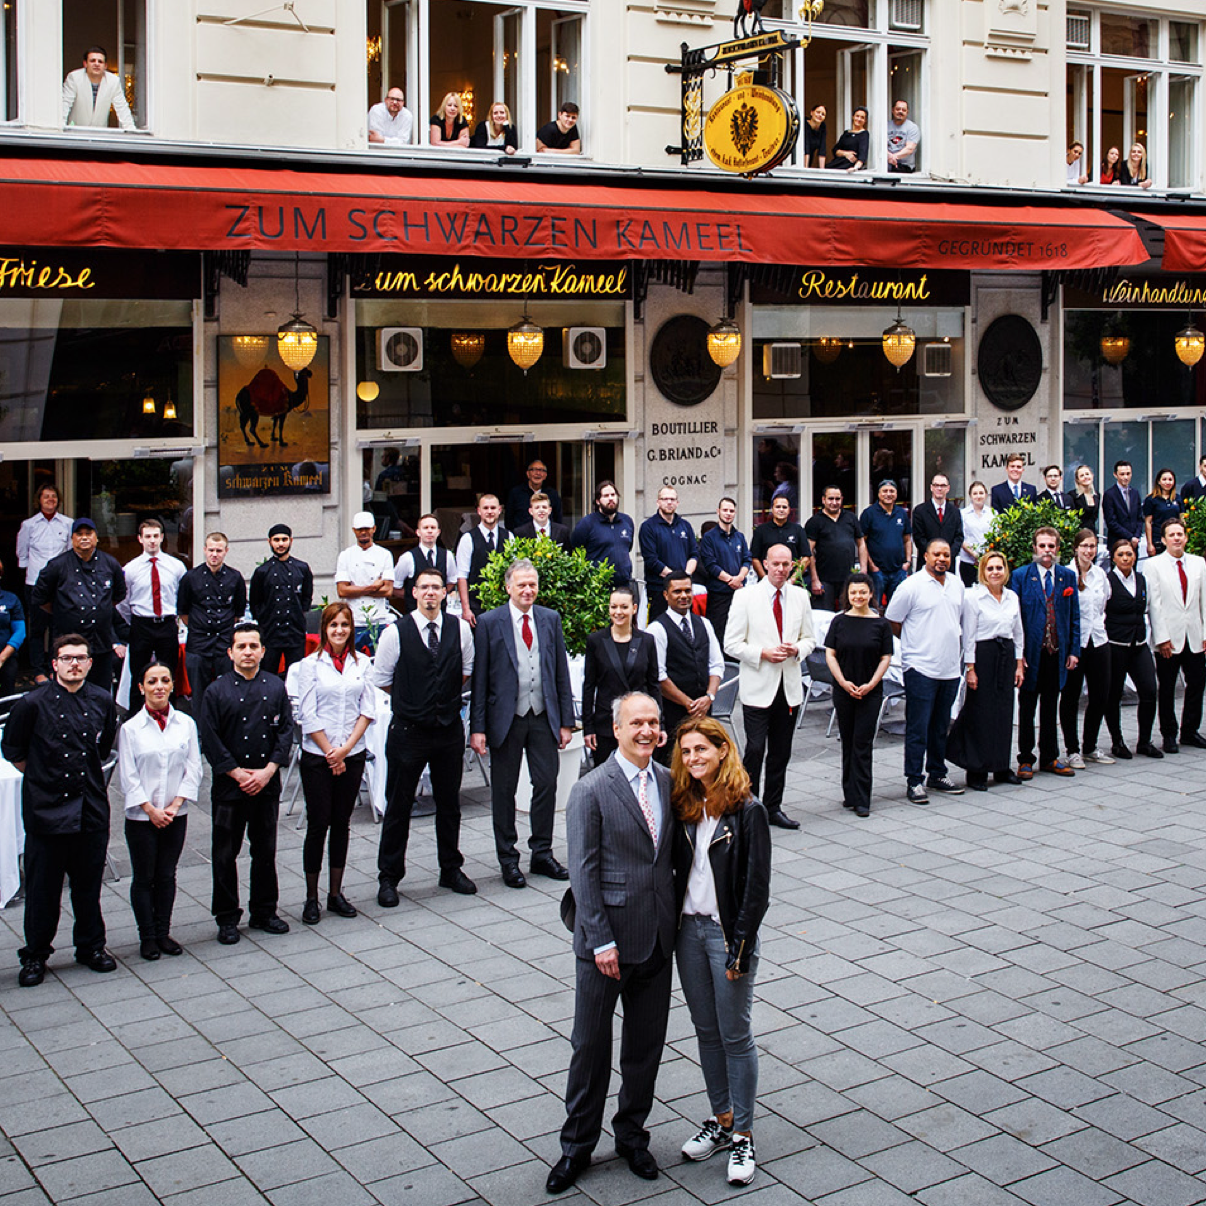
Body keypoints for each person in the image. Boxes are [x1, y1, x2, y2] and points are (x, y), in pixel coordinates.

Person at [672, 716, 771, 1185]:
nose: (694, 759)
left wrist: (741, 950)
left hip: (725, 934)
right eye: (687, 752)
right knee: (706, 1032)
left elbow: (756, 890)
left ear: (723, 750)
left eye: (702, 750)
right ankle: (722, 1118)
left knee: (735, 1035)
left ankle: (744, 1135)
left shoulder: (747, 810)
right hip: (687, 933)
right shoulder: (685, 803)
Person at [2, 635, 119, 986]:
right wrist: (42, 775)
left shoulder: (102, 701)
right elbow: (13, 751)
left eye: (81, 658)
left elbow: (102, 750)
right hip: (46, 809)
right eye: (67, 658)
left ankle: (91, 947)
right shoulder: (31, 704)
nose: (74, 664)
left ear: (89, 663)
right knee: (43, 890)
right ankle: (36, 955)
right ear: (54, 664)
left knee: (88, 886)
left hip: (90, 809)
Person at [470, 559, 574, 888]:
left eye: (532, 584)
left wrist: (566, 721)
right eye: (521, 585)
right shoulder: (489, 622)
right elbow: (481, 679)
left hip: (543, 716)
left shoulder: (550, 619)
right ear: (508, 588)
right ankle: (508, 858)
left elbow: (560, 671)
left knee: (546, 783)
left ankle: (541, 852)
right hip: (507, 718)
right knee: (504, 790)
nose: (528, 590)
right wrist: (478, 727)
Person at [374, 567, 476, 901]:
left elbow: (464, 672)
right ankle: (389, 877)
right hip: (408, 731)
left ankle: (450, 869)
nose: (431, 593)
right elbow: (383, 679)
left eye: (436, 587)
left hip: (447, 729)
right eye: (424, 588)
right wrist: (415, 698)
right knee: (398, 805)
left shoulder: (460, 630)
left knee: (450, 805)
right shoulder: (395, 633)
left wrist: (439, 697)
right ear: (414, 593)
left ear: (445, 593)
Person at [200, 622, 293, 944]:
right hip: (230, 787)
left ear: (263, 651)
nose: (248, 652)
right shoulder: (216, 691)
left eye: (254, 646)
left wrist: (268, 771)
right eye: (242, 647)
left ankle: (265, 911)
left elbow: (285, 733)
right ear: (230, 652)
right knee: (225, 854)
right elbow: (210, 739)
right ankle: (226, 917)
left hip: (265, 783)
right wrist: (237, 773)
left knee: (265, 850)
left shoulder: (276, 686)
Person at [295, 602, 375, 924]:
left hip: (351, 755)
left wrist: (346, 750)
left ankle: (335, 893)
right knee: (318, 825)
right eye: (333, 625)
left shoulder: (362, 663)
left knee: (342, 823)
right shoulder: (309, 666)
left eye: (344, 625)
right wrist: (331, 751)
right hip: (318, 757)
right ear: (323, 629)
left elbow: (367, 709)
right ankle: (311, 897)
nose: (339, 630)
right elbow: (306, 714)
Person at [724, 545, 815, 830]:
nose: (780, 570)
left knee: (780, 751)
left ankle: (773, 807)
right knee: (755, 748)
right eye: (775, 564)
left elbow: (810, 639)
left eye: (786, 565)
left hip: (788, 687)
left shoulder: (800, 596)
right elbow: (731, 643)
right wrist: (762, 653)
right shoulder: (745, 596)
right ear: (764, 564)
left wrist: (796, 649)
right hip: (758, 685)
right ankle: (749, 806)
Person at [118, 661, 200, 961]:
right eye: (152, 681)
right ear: (141, 687)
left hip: (175, 815)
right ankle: (147, 936)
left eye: (165, 680)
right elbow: (128, 776)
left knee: (166, 874)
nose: (159, 687)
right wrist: (150, 809)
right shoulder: (130, 729)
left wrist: (175, 805)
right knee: (144, 877)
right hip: (142, 817)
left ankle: (164, 931)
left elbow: (194, 769)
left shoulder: (186, 724)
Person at [885, 539, 965, 805]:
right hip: (920, 666)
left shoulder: (956, 584)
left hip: (950, 667)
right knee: (918, 727)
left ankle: (937, 773)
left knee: (941, 725)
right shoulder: (910, 587)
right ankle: (914, 780)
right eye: (936, 554)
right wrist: (914, 643)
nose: (941, 559)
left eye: (946, 555)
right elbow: (894, 622)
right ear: (925, 556)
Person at [946, 553, 1025, 791]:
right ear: (983, 571)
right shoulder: (974, 598)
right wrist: (970, 668)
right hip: (983, 654)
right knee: (981, 712)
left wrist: (1019, 663)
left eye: (999, 567)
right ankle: (977, 769)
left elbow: (1018, 631)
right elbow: (968, 635)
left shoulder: (1012, 597)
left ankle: (1001, 766)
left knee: (1004, 711)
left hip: (1006, 654)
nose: (995, 572)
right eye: (990, 568)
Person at [1011, 527, 1079, 778]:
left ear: (1058, 549)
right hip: (1031, 654)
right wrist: (1019, 655)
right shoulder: (1020, 576)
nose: (1047, 551)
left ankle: (1050, 756)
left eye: (1051, 546)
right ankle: (1025, 758)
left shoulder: (1067, 577)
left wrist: (1074, 650)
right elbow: (1015, 618)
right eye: (1042, 546)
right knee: (1027, 707)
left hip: (1056, 653)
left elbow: (1074, 617)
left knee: (1051, 706)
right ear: (1034, 548)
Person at [823, 573, 894, 816]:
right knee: (848, 740)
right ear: (847, 595)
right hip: (844, 689)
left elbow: (886, 657)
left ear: (871, 594)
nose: (858, 596)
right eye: (853, 592)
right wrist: (842, 682)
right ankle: (849, 793)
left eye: (863, 592)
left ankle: (862, 797)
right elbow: (830, 654)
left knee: (862, 742)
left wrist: (872, 683)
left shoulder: (880, 624)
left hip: (870, 691)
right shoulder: (839, 621)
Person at [33, 517, 127, 690]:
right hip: (67, 645)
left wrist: (100, 609)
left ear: (96, 538)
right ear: (72, 539)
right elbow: (40, 598)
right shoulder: (57, 565)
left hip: (101, 644)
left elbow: (119, 595)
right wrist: (64, 612)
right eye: (79, 534)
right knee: (67, 692)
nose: (84, 538)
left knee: (101, 693)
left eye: (88, 533)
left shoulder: (110, 564)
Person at [1146, 518, 1206, 754]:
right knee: (1168, 687)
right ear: (1163, 540)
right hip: (1168, 638)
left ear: (1186, 537)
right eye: (1172, 535)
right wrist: (1161, 638)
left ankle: (1190, 731)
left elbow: (1203, 601)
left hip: (1194, 635)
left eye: (1180, 534)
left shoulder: (1199, 563)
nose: (1177, 538)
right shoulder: (1153, 565)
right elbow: (1155, 605)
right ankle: (1169, 734)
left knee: (1197, 684)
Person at [650, 573, 723, 765]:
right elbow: (658, 675)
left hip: (705, 710)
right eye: (677, 591)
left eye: (687, 590)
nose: (683, 595)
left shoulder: (705, 624)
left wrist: (709, 697)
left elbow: (716, 665)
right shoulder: (657, 629)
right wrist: (688, 703)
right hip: (673, 713)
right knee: (675, 767)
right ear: (666, 595)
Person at [582, 585, 659, 765]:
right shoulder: (596, 641)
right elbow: (589, 686)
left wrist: (659, 723)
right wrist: (588, 727)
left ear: (634, 608)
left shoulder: (647, 641)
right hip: (606, 724)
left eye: (624, 607)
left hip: (640, 725)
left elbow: (653, 684)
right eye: (613, 607)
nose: (618, 612)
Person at [1059, 530, 1113, 769]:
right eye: (1085, 546)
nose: (1089, 551)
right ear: (1076, 548)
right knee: (1071, 697)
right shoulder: (1066, 573)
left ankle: (1090, 746)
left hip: (1099, 640)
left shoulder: (1100, 574)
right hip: (1076, 643)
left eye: (1092, 546)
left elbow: (1104, 603)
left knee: (1101, 695)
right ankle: (1072, 749)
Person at [178, 532, 247, 718]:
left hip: (224, 645)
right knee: (199, 696)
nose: (214, 554)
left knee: (228, 693)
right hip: (198, 645)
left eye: (218, 550)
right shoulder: (190, 577)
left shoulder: (235, 577)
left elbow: (238, 612)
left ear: (226, 551)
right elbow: (183, 612)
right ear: (204, 550)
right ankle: (201, 738)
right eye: (211, 550)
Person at [1102, 541, 1160, 760]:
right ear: (1114, 558)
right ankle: (1117, 741)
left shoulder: (1142, 580)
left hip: (1139, 644)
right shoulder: (1108, 582)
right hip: (1116, 646)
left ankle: (1144, 741)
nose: (1126, 558)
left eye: (1129, 554)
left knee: (1149, 690)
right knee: (1113, 694)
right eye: (1121, 554)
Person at [120, 519, 186, 690]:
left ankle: (167, 714)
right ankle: (136, 714)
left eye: (156, 536)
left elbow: (182, 596)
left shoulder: (176, 567)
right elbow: (123, 602)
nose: (152, 540)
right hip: (141, 625)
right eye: (147, 536)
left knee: (168, 674)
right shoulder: (130, 569)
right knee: (139, 675)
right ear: (140, 539)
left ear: (162, 537)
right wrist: (135, 621)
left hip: (167, 624)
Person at [17, 483, 72, 683]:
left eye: (54, 497)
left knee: (59, 629)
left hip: (60, 584)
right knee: (38, 629)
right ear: (38, 500)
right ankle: (38, 670)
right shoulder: (29, 525)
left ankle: (55, 668)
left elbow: (69, 553)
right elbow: (22, 555)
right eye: (46, 496)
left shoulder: (67, 523)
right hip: (35, 583)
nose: (50, 500)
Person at [249, 523, 313, 677]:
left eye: (284, 539)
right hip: (270, 632)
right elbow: (255, 602)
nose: (280, 543)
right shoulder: (262, 571)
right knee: (267, 675)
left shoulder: (302, 568)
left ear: (291, 540)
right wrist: (264, 619)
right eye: (276, 540)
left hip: (295, 631)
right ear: (269, 542)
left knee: (297, 676)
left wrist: (298, 614)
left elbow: (306, 597)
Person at [335, 511, 395, 650]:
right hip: (354, 620)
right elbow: (342, 591)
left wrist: (355, 589)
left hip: (379, 619)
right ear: (354, 531)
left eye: (367, 529)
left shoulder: (385, 555)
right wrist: (374, 587)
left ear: (374, 529)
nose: (363, 532)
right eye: (359, 529)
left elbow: (388, 590)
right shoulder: (345, 556)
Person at [697, 497, 751, 647]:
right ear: (718, 511)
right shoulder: (709, 538)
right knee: (718, 633)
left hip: (739, 593)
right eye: (725, 510)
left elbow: (747, 559)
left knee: (739, 631)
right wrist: (730, 580)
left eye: (731, 511)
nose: (728, 513)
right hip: (719, 594)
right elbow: (710, 565)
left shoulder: (739, 537)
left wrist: (740, 578)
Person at [639, 487, 698, 622]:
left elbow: (694, 555)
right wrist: (674, 579)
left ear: (677, 503)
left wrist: (685, 577)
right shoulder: (648, 527)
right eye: (665, 499)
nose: (669, 502)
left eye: (672, 499)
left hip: (683, 591)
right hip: (659, 591)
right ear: (658, 502)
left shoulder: (685, 526)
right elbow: (651, 560)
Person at [805, 487, 866, 611]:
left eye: (837, 499)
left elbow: (861, 544)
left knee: (849, 617)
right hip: (824, 580)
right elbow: (808, 551)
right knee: (824, 618)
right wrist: (814, 579)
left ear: (842, 499)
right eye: (830, 499)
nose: (834, 502)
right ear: (823, 500)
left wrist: (863, 570)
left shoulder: (851, 518)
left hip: (848, 579)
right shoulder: (814, 522)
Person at [569, 480, 636, 591]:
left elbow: (627, 548)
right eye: (606, 495)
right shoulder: (586, 524)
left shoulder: (627, 521)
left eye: (613, 495)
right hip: (598, 587)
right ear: (598, 501)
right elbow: (576, 553)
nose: (610, 498)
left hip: (624, 585)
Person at [456, 493, 509, 624]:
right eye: (486, 508)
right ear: (479, 511)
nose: (489, 512)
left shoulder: (510, 537)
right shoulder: (467, 539)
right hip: (476, 607)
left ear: (499, 510)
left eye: (493, 508)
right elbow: (462, 576)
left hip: (503, 606)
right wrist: (466, 609)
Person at [860, 480, 911, 606]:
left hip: (899, 570)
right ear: (878, 494)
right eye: (885, 491)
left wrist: (908, 562)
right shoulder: (869, 514)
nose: (888, 494)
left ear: (896, 494)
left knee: (897, 608)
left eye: (892, 491)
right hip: (878, 571)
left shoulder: (901, 513)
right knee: (875, 607)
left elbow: (907, 539)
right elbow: (862, 542)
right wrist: (872, 566)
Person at [392, 514, 456, 613]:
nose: (429, 531)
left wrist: (437, 596)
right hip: (414, 614)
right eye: (425, 528)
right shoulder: (407, 558)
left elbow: (451, 581)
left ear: (438, 532)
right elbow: (395, 587)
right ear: (418, 532)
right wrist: (414, 596)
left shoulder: (448, 556)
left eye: (433, 528)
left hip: (440, 613)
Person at [62, 46, 135, 130]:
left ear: (105, 66)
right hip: (75, 133)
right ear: (85, 64)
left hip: (99, 135)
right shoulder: (74, 78)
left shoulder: (113, 81)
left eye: (100, 61)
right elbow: (65, 103)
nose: (96, 64)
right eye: (92, 61)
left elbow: (122, 108)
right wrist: (61, 127)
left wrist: (131, 130)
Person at [910, 474, 963, 569]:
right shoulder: (920, 511)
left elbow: (958, 537)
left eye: (943, 485)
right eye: (936, 485)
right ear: (931, 487)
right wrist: (934, 556)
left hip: (948, 566)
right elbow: (918, 538)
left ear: (948, 488)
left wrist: (947, 555)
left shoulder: (955, 512)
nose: (939, 488)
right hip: (926, 564)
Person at [750, 495, 809, 580]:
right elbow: (754, 558)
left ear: (789, 510)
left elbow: (806, 558)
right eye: (778, 507)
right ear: (772, 509)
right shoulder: (761, 530)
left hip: (792, 583)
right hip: (767, 583)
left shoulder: (798, 530)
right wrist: (765, 580)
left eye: (784, 507)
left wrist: (792, 580)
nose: (781, 510)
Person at [506, 459, 564, 530]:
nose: (538, 473)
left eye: (541, 470)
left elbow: (558, 519)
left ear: (545, 475)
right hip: (522, 538)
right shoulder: (516, 493)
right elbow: (509, 520)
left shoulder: (552, 494)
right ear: (528, 474)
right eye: (534, 470)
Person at [957, 481, 993, 588]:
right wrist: (976, 555)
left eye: (981, 493)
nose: (978, 496)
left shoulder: (993, 514)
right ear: (970, 496)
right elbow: (961, 537)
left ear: (986, 495)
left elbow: (996, 537)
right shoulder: (962, 514)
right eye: (975, 493)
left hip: (988, 561)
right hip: (968, 562)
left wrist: (984, 556)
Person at [1102, 460, 1143, 552]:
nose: (1125, 477)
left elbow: (1139, 518)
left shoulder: (1135, 493)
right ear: (1115, 475)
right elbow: (1111, 522)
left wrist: (1136, 536)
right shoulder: (1110, 494)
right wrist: (1130, 537)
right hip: (1117, 542)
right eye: (1122, 474)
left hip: (1134, 544)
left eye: (1128, 474)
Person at [0, 561, 26, 696]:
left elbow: (20, 631)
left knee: (5, 700)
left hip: (6, 659)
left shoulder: (11, 599)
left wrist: (2, 658)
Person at [1143, 469, 1181, 559]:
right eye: (1164, 479)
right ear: (1159, 481)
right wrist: (1149, 544)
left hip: (1174, 539)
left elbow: (1182, 520)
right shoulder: (1151, 499)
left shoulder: (1178, 498)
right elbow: (1148, 522)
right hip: (1158, 539)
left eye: (1170, 479)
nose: (1167, 482)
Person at [825, 107, 868, 171]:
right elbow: (835, 150)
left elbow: (863, 154)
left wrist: (855, 168)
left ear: (865, 120)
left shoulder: (864, 134)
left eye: (862, 117)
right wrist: (845, 153)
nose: (859, 119)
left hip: (849, 166)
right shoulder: (846, 133)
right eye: (857, 116)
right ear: (853, 117)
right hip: (838, 163)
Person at [886, 99, 920, 173]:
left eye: (903, 110)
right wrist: (888, 156)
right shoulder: (886, 126)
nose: (900, 111)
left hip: (905, 167)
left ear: (907, 112)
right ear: (893, 110)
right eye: (898, 109)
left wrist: (894, 157)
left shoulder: (912, 127)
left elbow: (910, 148)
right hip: (886, 166)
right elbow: (880, 146)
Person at [1068, 464, 1101, 534]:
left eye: (1087, 474)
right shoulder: (1072, 495)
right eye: (1082, 476)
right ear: (1077, 480)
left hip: (1092, 533)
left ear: (1092, 476)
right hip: (1078, 534)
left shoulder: (1097, 495)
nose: (1085, 477)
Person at [802, 103, 826, 168]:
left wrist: (822, 171)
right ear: (811, 113)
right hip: (798, 159)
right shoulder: (805, 125)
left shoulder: (822, 127)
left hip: (809, 159)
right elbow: (806, 147)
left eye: (823, 114)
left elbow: (822, 149)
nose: (820, 115)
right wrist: (805, 170)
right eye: (818, 112)